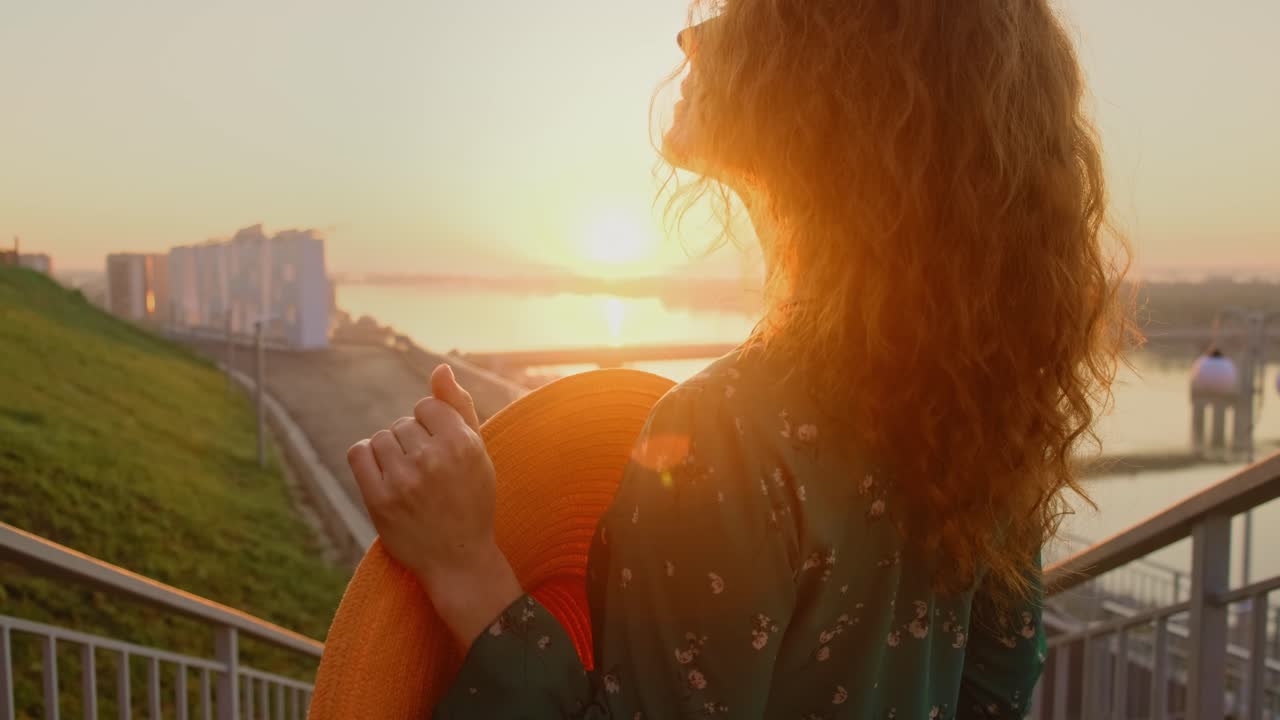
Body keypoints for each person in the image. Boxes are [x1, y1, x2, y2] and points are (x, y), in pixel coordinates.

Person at [345, 1, 1134, 717]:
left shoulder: (728, 433)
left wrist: (465, 567)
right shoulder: (979, 400)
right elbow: (994, 689)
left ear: (838, 91)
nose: (691, 35)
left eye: (749, 11)